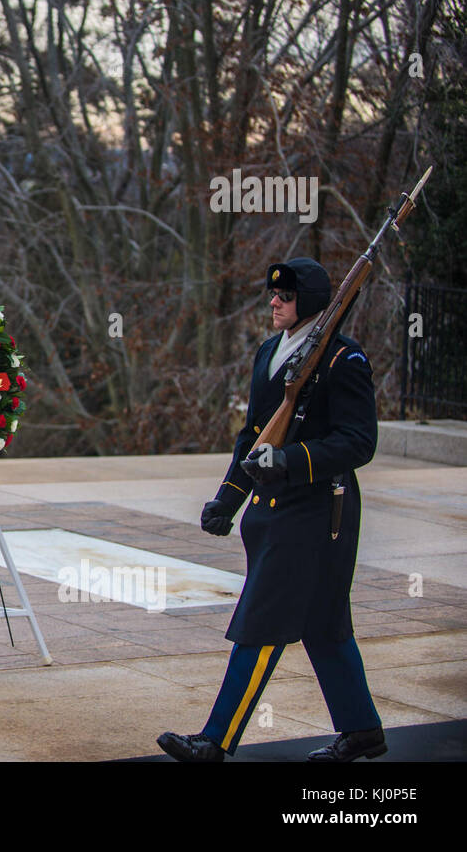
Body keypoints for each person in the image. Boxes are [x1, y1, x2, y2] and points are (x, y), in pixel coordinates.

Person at [157, 257, 385, 762]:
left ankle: (216, 741)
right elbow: (255, 437)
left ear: (311, 301)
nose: (274, 301)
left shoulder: (343, 359)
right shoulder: (269, 353)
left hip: (318, 514)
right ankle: (363, 730)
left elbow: (358, 443)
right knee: (324, 627)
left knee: (260, 625)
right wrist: (228, 497)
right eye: (272, 293)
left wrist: (291, 461)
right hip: (274, 514)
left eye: (285, 295)